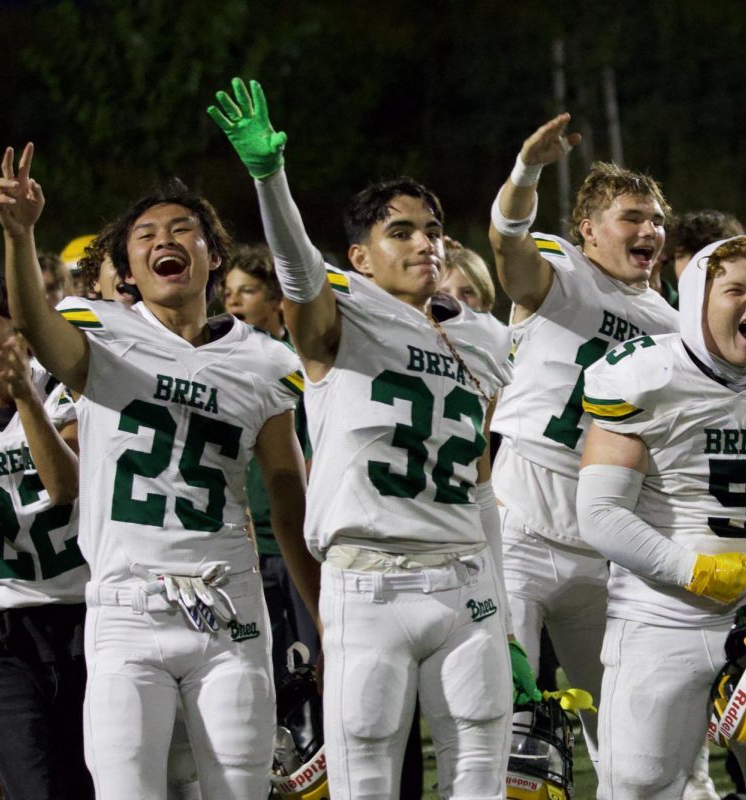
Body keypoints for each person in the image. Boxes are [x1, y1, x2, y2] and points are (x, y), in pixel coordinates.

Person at [211, 76, 517, 799]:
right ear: (360, 257)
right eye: (401, 230)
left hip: (466, 577)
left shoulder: (482, 337)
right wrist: (270, 178)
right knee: (367, 775)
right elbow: (294, 268)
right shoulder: (340, 317)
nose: (425, 242)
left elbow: (479, 482)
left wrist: (502, 604)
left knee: (481, 773)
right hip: (371, 578)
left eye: (433, 229)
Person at [0, 142, 319, 799]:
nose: (164, 240)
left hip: (230, 609)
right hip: (127, 607)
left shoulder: (263, 359)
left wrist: (326, 620)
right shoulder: (99, 330)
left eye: (182, 230)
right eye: (145, 235)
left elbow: (289, 497)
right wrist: (21, 235)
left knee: (240, 791)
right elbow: (30, 319)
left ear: (213, 255)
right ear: (129, 267)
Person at [576, 233, 746, 799]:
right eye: (736, 290)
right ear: (698, 299)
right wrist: (689, 569)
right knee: (640, 785)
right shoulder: (646, 375)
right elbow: (599, 513)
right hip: (659, 617)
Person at [486, 112, 679, 778]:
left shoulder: (673, 327)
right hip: (518, 521)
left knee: (625, 733)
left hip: (607, 542)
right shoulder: (558, 273)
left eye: (656, 220)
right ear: (588, 229)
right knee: (500, 721)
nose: (650, 230)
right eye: (633, 217)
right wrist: (527, 169)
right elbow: (506, 239)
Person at [0, 273, 91, 799]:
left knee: (94, 783)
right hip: (1, 626)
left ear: (20, 331)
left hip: (85, 615)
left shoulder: (62, 387)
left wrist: (22, 398)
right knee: (30, 789)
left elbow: (65, 486)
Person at [222, 245, 319, 677]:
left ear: (277, 298)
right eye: (228, 292)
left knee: (315, 661)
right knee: (266, 671)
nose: (233, 301)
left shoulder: (294, 367)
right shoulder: (222, 366)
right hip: (247, 548)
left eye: (247, 291)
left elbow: (315, 459)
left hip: (295, 542)